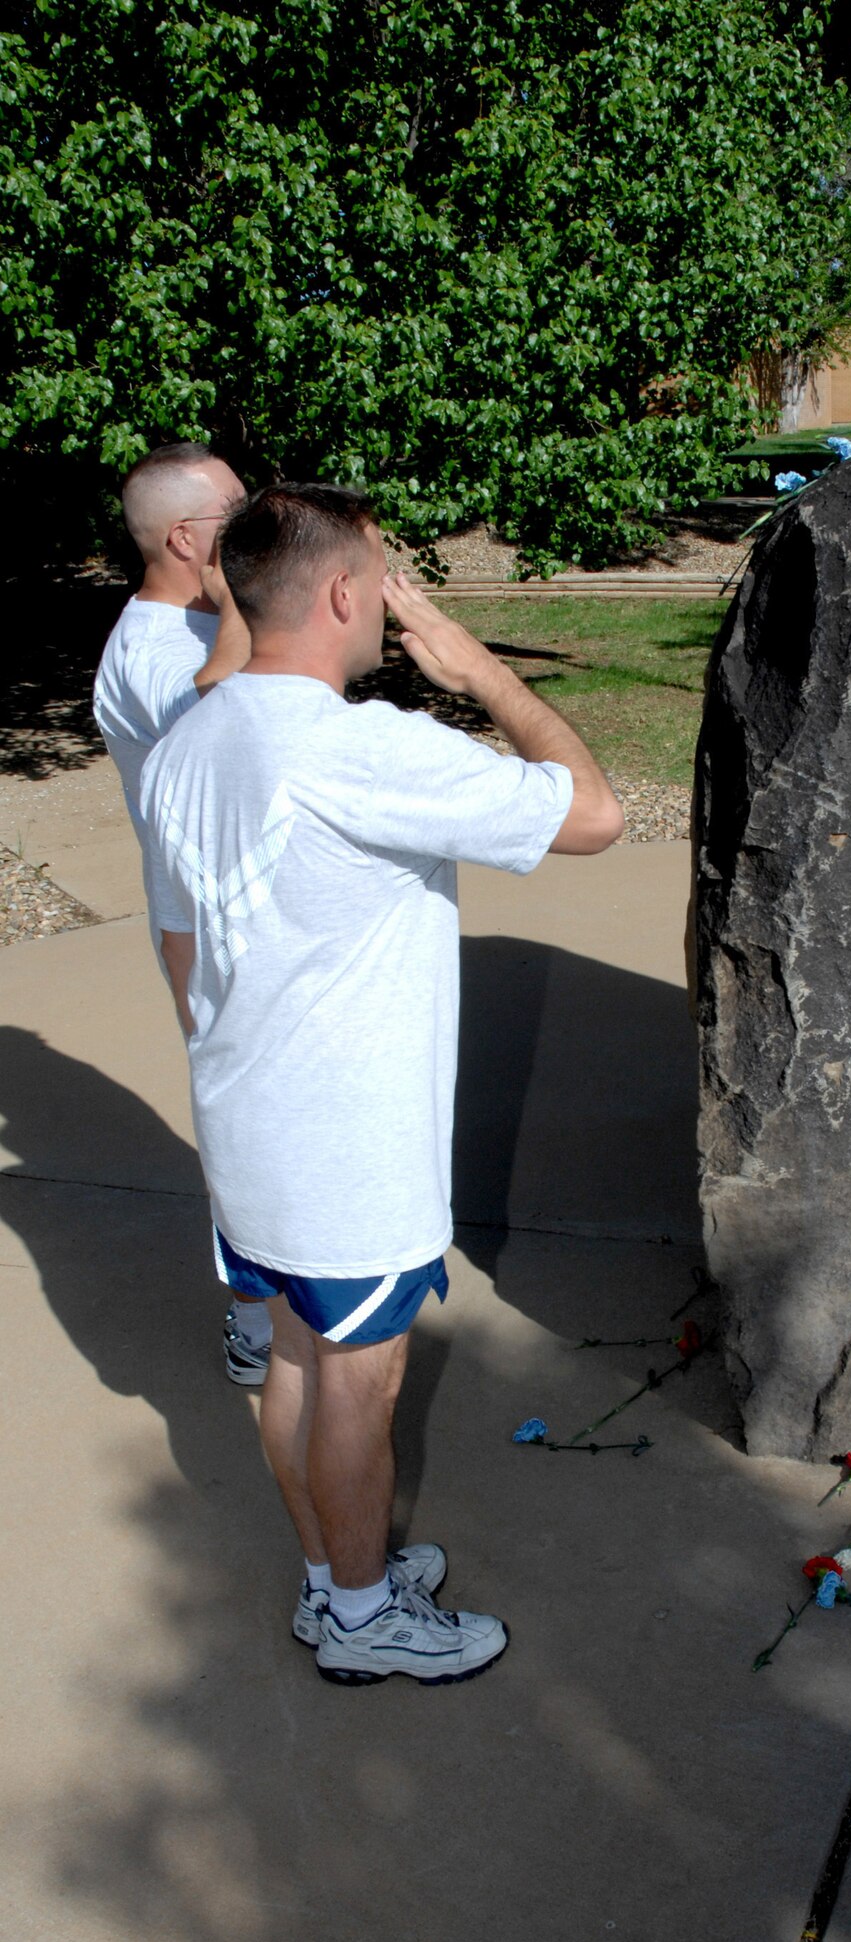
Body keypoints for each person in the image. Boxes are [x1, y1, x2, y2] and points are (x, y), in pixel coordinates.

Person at [140, 483, 623, 1685]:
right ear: (347, 592)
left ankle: (330, 1581)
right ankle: (361, 1618)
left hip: (248, 1125)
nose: (398, 596)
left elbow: (185, 947)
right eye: (389, 573)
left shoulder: (188, 735)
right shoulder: (362, 749)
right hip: (346, 1148)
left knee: (297, 1361)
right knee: (360, 1376)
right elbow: (597, 814)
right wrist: (485, 677)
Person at [92, 441, 274, 1387]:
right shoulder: (153, 650)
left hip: (254, 911)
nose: (253, 525)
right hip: (206, 929)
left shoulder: (206, 626)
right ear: (182, 538)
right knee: (245, 1118)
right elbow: (209, 736)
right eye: (235, 514)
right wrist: (249, 602)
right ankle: (256, 1323)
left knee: (284, 1110)